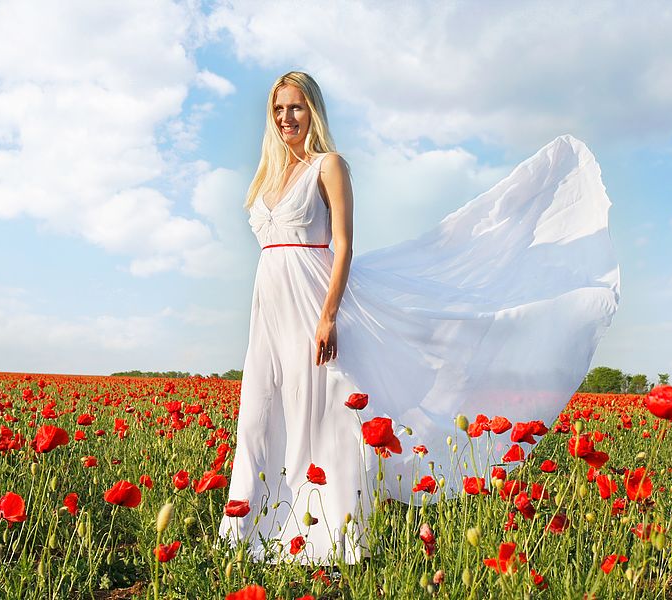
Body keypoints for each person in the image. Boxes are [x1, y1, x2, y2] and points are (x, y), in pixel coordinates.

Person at [217, 71, 620, 567]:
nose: (286, 119)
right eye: (278, 110)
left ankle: (329, 539)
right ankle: (249, 534)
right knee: (259, 414)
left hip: (312, 302)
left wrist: (329, 316)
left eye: (296, 108)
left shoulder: (329, 166)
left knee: (322, 414)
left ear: (313, 111)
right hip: (269, 310)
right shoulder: (266, 176)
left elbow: (342, 246)